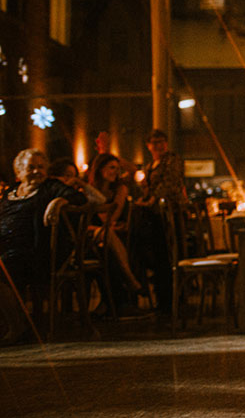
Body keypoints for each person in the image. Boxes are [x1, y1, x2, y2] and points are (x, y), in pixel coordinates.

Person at [0, 149, 89, 293]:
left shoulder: (51, 186)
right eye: (31, 167)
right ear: (19, 172)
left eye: (41, 167)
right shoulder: (10, 191)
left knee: (5, 266)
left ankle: (14, 314)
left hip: (36, 252)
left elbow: (79, 199)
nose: (37, 171)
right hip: (6, 246)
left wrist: (59, 201)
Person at [132, 129, 187, 313]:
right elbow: (149, 186)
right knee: (156, 256)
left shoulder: (172, 160)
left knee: (170, 254)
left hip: (169, 213)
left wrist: (153, 198)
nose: (159, 145)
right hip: (155, 215)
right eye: (155, 142)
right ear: (148, 146)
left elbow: (169, 183)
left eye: (162, 141)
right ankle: (161, 297)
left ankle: (173, 298)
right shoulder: (149, 166)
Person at [88, 153, 144, 295]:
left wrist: (110, 153)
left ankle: (114, 302)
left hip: (113, 237)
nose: (116, 172)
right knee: (106, 244)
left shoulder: (120, 189)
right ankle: (130, 281)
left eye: (118, 168)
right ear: (100, 169)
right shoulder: (89, 190)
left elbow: (110, 219)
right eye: (111, 167)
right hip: (92, 237)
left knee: (107, 252)